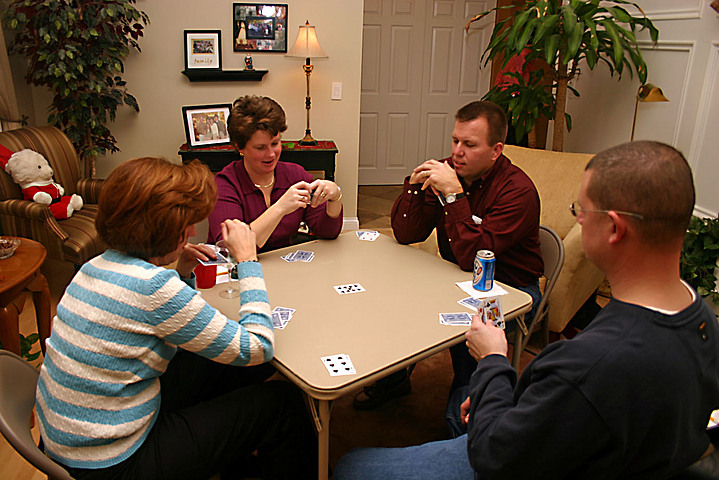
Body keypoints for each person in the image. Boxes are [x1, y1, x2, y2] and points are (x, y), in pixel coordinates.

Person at [334, 141, 719, 479]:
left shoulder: (585, 365)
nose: (577, 219)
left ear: (614, 229)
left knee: (350, 466)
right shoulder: (701, 318)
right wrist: (500, 386)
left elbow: (495, 455)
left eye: (580, 211)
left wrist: (493, 361)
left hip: (510, 458)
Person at [35, 157, 317, 480]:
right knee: (283, 404)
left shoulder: (94, 266)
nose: (194, 231)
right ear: (166, 229)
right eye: (187, 225)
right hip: (112, 464)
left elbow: (154, 329)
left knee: (231, 370)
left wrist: (181, 273)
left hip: (71, 438)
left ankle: (232, 455)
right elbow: (257, 347)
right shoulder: (152, 286)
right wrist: (248, 260)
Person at [354, 100, 543, 411]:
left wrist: (454, 196)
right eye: (455, 141)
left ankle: (470, 415)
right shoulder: (447, 171)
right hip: (455, 277)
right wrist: (414, 189)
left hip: (509, 290)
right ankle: (394, 379)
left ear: (496, 150)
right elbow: (406, 234)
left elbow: (474, 260)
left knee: (468, 346)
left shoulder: (517, 191)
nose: (457, 152)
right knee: (396, 303)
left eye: (469, 144)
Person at [207, 95, 343, 251]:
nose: (271, 154)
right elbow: (231, 248)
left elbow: (327, 232)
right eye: (260, 147)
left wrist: (335, 197)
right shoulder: (224, 184)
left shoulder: (295, 175)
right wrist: (280, 208)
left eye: (275, 143)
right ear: (240, 147)